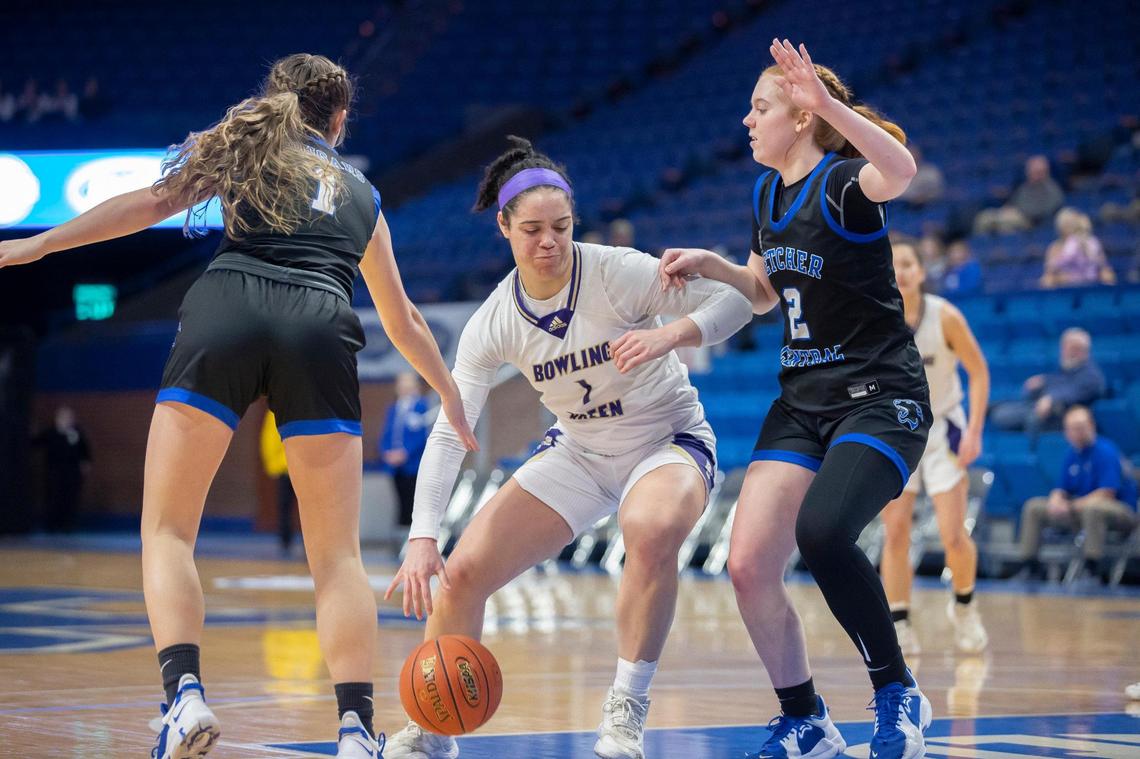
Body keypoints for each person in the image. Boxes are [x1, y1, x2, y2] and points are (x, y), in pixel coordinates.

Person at [0, 53, 478, 759]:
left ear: (275, 99)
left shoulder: (243, 143)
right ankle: (355, 730)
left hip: (229, 303)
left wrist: (40, 245)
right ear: (339, 120)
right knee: (338, 557)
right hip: (319, 321)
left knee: (166, 530)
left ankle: (184, 696)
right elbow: (403, 317)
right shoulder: (362, 192)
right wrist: (451, 396)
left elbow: (148, 204)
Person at [382, 136, 753, 759]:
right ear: (504, 228)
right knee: (460, 576)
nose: (548, 240)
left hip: (667, 439)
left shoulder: (617, 271)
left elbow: (740, 301)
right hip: (580, 452)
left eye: (561, 226)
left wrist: (672, 337)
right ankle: (435, 729)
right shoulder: (493, 321)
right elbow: (453, 427)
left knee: (651, 526)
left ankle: (625, 713)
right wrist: (423, 534)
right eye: (532, 229)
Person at [659, 40, 933, 759]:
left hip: (878, 395)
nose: (747, 121)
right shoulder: (763, 194)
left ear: (804, 117)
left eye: (761, 108)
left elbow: (903, 170)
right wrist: (713, 264)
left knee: (824, 532)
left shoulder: (845, 182)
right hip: (804, 400)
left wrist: (829, 102)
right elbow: (762, 293)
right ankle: (805, 716)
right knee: (747, 564)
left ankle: (897, 689)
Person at [880, 240, 990, 657]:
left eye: (908, 264)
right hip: (897, 429)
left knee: (952, 535)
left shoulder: (946, 316)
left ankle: (964, 606)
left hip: (944, 427)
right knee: (895, 532)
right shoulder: (876, 316)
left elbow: (979, 373)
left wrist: (975, 429)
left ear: (921, 271)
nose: (901, 271)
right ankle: (900, 622)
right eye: (893, 265)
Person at [1013, 405, 1137, 582]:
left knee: (1094, 509)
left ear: (1092, 425)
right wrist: (1056, 500)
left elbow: (1106, 493)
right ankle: (1030, 567)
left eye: (1080, 427)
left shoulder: (1105, 451)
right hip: (1080, 509)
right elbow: (1062, 488)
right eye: (1071, 428)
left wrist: (1070, 506)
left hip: (1121, 512)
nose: (1076, 432)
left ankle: (1092, 569)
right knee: (1034, 507)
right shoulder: (1072, 454)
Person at [989, 328, 1106, 435]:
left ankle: (1033, 452)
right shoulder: (1067, 368)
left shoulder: (1091, 375)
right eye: (1065, 347)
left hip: (1061, 417)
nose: (1066, 352)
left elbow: (1074, 392)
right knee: (993, 407)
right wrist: (1044, 380)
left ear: (1084, 351)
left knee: (1006, 416)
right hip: (1037, 406)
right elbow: (1060, 381)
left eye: (1073, 348)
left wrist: (1052, 398)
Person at [379, 370, 431, 530]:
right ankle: (400, 537)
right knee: (400, 502)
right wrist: (386, 452)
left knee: (413, 502)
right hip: (396, 467)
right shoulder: (393, 409)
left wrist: (405, 453)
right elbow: (386, 433)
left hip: (412, 465)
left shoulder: (421, 406)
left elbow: (421, 436)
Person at [32, 406, 92, 533]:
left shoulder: (76, 433)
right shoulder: (51, 432)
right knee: (53, 499)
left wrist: (85, 464)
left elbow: (85, 452)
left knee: (69, 499)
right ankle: (52, 525)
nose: (66, 420)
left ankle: (67, 526)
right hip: (54, 473)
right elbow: (35, 442)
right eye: (63, 417)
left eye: (69, 417)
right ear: (57, 419)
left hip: (72, 473)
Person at [973, 155, 1065, 234]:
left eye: (1038, 172)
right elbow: (1013, 201)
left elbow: (1046, 210)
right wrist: (1007, 208)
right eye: (1032, 172)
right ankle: (981, 246)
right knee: (984, 217)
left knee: (1007, 222)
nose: (1034, 175)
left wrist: (1020, 211)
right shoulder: (1024, 187)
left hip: (1031, 221)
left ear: (1045, 172)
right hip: (1014, 215)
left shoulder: (1052, 189)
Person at [1041, 207, 1116, 288]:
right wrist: (1058, 279)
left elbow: (1104, 267)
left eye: (1070, 224)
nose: (1068, 228)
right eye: (1065, 224)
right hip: (1065, 288)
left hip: (1091, 286)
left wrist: (1107, 279)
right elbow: (1049, 274)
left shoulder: (1092, 243)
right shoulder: (1054, 247)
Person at [260, 410, 298, 554]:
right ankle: (285, 541)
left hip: (297, 466)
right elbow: (269, 439)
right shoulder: (273, 413)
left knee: (304, 506)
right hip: (286, 468)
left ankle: (303, 543)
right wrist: (273, 464)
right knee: (285, 507)